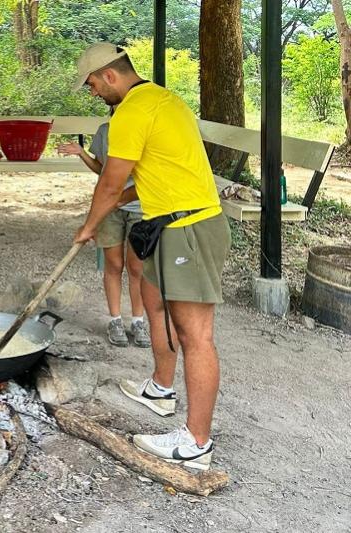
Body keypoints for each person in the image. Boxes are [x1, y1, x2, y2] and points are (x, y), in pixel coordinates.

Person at [70, 42, 231, 470]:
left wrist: (89, 226)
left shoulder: (132, 111)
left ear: (109, 75)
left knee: (195, 334)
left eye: (91, 84)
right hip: (165, 224)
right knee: (153, 300)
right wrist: (102, 215)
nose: (92, 92)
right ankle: (161, 389)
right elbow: (145, 181)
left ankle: (196, 443)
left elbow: (109, 183)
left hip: (189, 228)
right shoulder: (162, 100)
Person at [58, 111, 151, 349]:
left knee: (136, 268)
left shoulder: (145, 132)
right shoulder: (105, 131)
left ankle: (138, 322)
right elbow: (102, 170)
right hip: (109, 206)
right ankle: (115, 320)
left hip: (141, 207)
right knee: (113, 265)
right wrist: (81, 153)